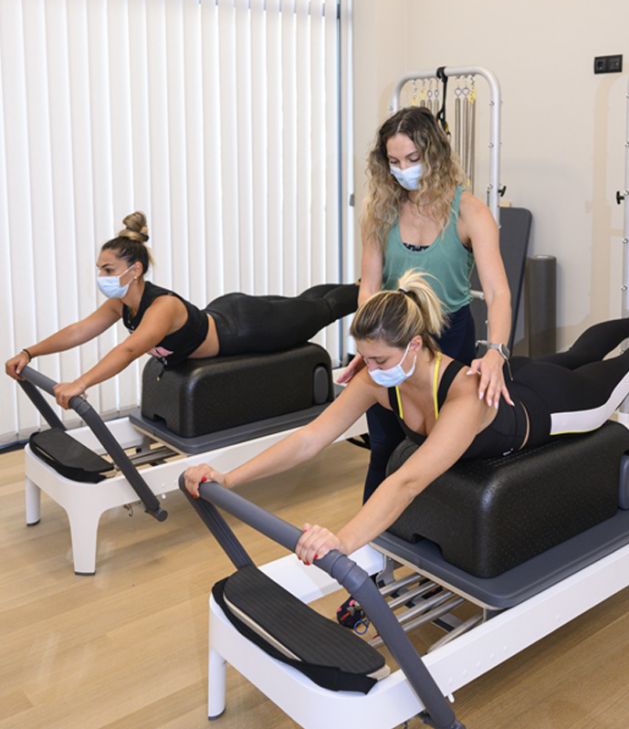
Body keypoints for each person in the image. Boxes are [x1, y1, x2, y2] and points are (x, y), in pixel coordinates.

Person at [184, 269, 629, 576]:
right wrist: (229, 477)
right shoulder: (380, 378)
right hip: (519, 380)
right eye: (364, 356)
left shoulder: (462, 395)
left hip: (554, 407)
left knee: (603, 364)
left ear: (414, 345)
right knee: (576, 353)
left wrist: (343, 540)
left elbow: (408, 481)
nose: (368, 368)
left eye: (379, 359)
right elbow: (310, 438)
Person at [5, 212, 358, 409]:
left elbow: (128, 350)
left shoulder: (162, 308)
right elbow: (79, 330)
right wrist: (29, 352)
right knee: (306, 303)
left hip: (248, 327)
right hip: (225, 313)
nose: (102, 277)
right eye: (100, 269)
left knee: (321, 309)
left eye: (108, 270)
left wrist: (81, 383)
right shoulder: (120, 303)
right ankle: (359, 286)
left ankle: (369, 290)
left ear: (135, 270)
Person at [338, 105, 513, 505]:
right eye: (394, 161)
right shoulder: (380, 211)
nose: (403, 169)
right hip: (392, 338)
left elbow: (498, 293)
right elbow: (369, 287)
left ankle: (434, 533)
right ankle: (374, 538)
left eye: (412, 158)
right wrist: (371, 347)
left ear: (433, 154)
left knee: (439, 453)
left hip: (448, 337)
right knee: (384, 447)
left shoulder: (469, 212)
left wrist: (496, 353)